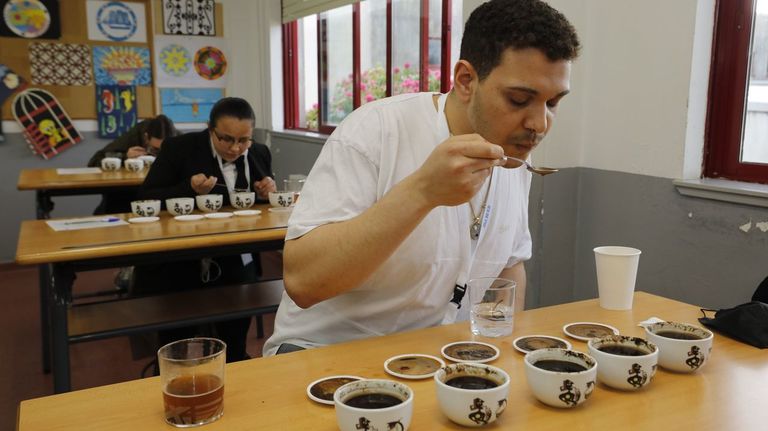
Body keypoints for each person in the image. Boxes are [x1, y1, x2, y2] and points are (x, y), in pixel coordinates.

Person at [264, 0, 580, 355]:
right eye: (520, 99)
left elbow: (510, 266)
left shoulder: (513, 153)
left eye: (553, 103)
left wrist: (501, 352)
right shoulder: (377, 131)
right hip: (324, 355)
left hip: (436, 361)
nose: (539, 124)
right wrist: (421, 192)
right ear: (465, 81)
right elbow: (303, 283)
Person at [135, 97, 277, 362]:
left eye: (243, 140)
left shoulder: (258, 153)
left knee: (234, 334)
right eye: (226, 139)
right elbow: (146, 197)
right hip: (182, 260)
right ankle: (173, 373)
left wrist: (266, 191)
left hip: (237, 255)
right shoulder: (179, 148)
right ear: (209, 129)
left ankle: (233, 365)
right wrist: (188, 188)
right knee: (177, 341)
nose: (235, 148)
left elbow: (256, 205)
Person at [88, 115, 178, 214]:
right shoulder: (135, 135)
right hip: (127, 196)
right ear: (146, 137)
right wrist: (125, 157)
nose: (159, 154)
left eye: (165, 149)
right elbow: (94, 161)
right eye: (155, 150)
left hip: (162, 193)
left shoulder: (179, 138)